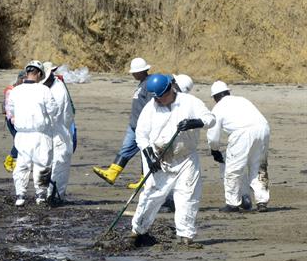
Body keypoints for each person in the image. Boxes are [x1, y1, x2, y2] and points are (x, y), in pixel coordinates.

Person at [131, 74, 215, 246]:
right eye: (156, 98)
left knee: (187, 195)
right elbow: (141, 135)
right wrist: (149, 156)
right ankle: (138, 231)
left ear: (171, 89)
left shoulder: (190, 102)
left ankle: (186, 236)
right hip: (158, 159)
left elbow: (210, 119)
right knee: (152, 195)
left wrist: (195, 122)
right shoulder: (150, 108)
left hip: (186, 159)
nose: (159, 101)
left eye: (161, 97)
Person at [207, 81, 271, 212]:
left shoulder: (218, 108)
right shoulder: (242, 99)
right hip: (263, 128)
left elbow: (213, 135)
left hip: (242, 133)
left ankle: (233, 203)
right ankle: (262, 202)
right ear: (228, 92)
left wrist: (214, 149)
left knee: (233, 169)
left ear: (215, 97)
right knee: (258, 167)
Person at [5, 60, 59, 206]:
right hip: (40, 134)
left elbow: (10, 111)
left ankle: (20, 196)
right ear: (39, 74)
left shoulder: (16, 91)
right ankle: (40, 196)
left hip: (21, 134)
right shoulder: (43, 90)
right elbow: (53, 110)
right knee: (41, 165)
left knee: (22, 165)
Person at [92, 57, 153, 186]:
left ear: (142, 71)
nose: (133, 75)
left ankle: (144, 179)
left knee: (144, 153)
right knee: (126, 148)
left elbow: (153, 105)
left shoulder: (149, 84)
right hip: (134, 125)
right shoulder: (142, 83)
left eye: (135, 72)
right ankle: (112, 173)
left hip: (143, 127)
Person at [42, 61, 75, 203]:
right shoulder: (54, 86)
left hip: (60, 133)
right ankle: (51, 195)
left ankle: (55, 197)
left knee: (59, 165)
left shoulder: (58, 92)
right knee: (51, 164)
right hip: (57, 131)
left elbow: (54, 116)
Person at [2, 70, 25, 172]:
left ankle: (16, 160)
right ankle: (10, 160)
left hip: (19, 120)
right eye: (23, 80)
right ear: (20, 79)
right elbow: (9, 108)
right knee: (19, 141)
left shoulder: (19, 90)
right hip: (12, 121)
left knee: (19, 140)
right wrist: (13, 120)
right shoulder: (11, 91)